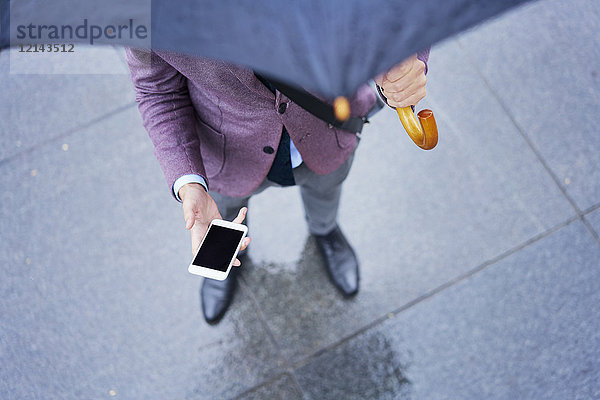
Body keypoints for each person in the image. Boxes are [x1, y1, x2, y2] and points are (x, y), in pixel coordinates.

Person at [126, 49, 429, 324]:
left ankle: (325, 232)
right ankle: (222, 261)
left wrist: (407, 62)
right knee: (221, 214)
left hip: (327, 124)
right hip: (224, 149)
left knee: (326, 191)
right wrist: (189, 180)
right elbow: (157, 90)